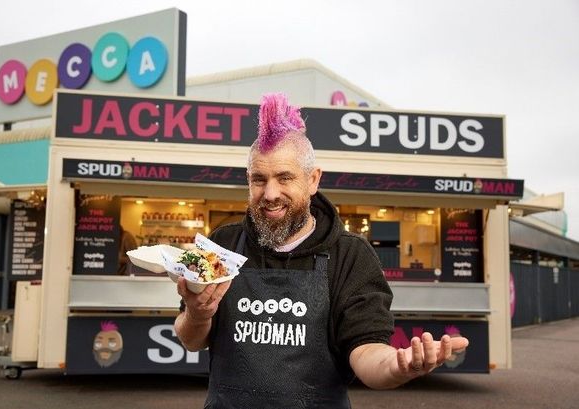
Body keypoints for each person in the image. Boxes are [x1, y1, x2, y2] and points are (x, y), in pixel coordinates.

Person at [175, 93, 469, 408]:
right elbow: (191, 339)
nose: (270, 193)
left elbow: (367, 350)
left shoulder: (350, 255)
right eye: (258, 180)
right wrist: (197, 313)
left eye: (284, 178)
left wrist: (397, 366)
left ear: (313, 180)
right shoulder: (223, 244)